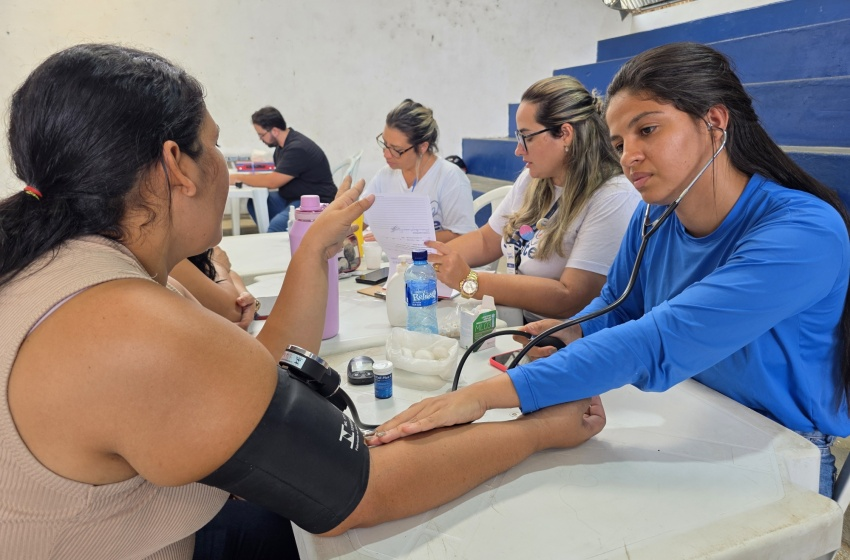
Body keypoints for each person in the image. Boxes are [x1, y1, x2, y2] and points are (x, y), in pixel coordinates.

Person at [0, 43, 606, 559]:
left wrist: (313, 251)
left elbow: (253, 380)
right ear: (174, 166)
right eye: (214, 146)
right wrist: (540, 429)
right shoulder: (133, 325)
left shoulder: (62, 262)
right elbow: (358, 490)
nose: (227, 168)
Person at [368, 42, 850, 499]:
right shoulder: (653, 215)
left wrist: (483, 397)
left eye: (648, 130)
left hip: (781, 450)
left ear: (714, 122)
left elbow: (660, 340)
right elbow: (619, 307)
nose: (629, 155)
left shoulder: (804, 233)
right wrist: (568, 334)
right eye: (619, 141)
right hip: (685, 413)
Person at [427, 76, 640, 321]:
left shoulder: (614, 196)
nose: (518, 150)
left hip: (562, 342)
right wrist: (425, 261)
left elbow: (570, 298)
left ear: (565, 134)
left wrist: (470, 281)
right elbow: (487, 240)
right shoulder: (534, 179)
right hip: (518, 322)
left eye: (526, 137)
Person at [363, 99, 477, 242]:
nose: (386, 154)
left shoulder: (450, 178)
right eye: (385, 144)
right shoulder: (385, 176)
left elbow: (462, 236)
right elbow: (362, 219)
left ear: (422, 147)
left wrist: (401, 237)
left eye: (397, 150)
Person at [228, 106, 337, 232]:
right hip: (292, 197)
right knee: (254, 203)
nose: (260, 139)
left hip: (315, 203)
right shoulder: (282, 147)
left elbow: (272, 182)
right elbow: (277, 176)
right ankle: (281, 233)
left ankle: (278, 233)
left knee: (276, 226)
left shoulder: (297, 148)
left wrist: (238, 177)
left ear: (274, 131)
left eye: (261, 135)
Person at [170, 247, 259, 330]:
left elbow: (229, 272)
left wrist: (245, 298)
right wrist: (217, 264)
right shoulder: (165, 254)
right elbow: (232, 311)